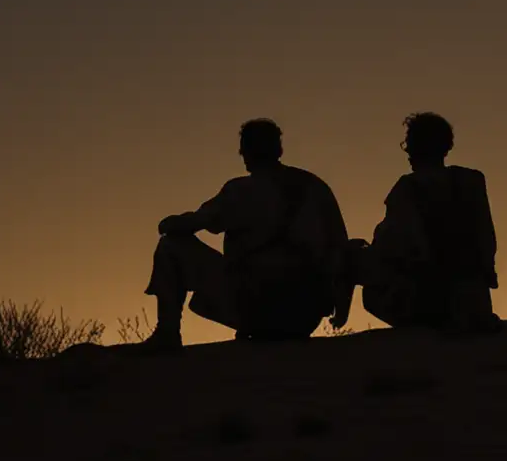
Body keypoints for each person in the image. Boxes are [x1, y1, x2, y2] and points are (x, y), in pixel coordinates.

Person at [137, 118, 352, 347]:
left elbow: (192, 223)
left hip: (258, 308)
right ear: (278, 149)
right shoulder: (315, 187)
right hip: (304, 317)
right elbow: (342, 249)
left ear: (246, 152)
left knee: (171, 245)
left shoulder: (241, 191)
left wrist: (168, 222)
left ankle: (167, 333)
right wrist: (340, 307)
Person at [347, 112, 501, 332]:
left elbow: (395, 246)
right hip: (474, 302)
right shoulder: (472, 181)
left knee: (351, 255)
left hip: (429, 303)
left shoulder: (407, 188)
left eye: (408, 144)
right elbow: (487, 241)